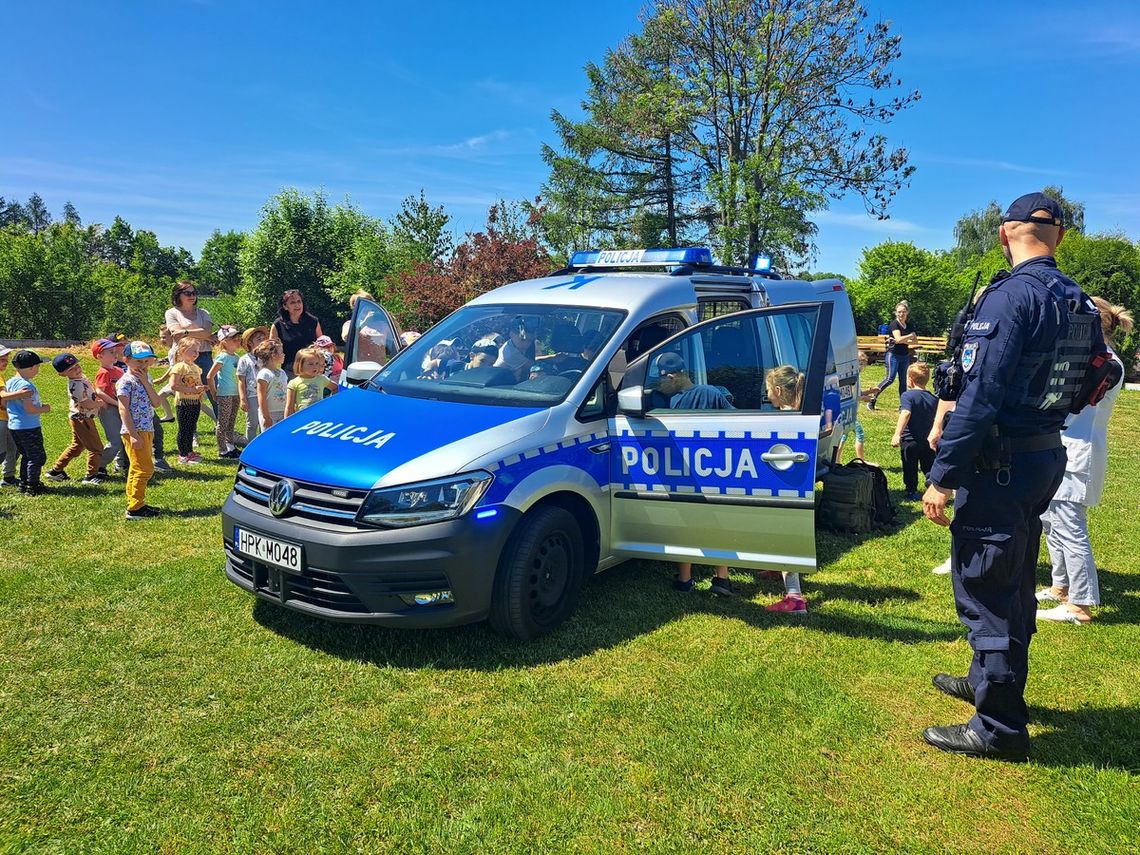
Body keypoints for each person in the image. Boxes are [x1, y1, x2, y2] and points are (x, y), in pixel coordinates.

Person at [920, 192, 1105, 762]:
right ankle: (985, 681)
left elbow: (980, 396)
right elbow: (1096, 378)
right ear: (1060, 238)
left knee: (989, 585)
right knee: (1017, 575)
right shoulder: (1077, 299)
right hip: (1044, 454)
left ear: (1005, 234)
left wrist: (942, 475)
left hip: (999, 466)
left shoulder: (1009, 297)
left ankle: (998, 727)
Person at [1036, 298, 1133, 624]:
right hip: (1064, 446)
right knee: (1052, 522)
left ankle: (1081, 604)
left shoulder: (1107, 363)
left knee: (1070, 526)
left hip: (1079, 451)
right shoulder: (1094, 357)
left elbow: (1068, 399)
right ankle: (1061, 587)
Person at [654, 351, 736, 596]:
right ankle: (722, 579)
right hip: (714, 470)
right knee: (717, 525)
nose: (660, 386)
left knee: (685, 525)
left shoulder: (675, 402)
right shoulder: (712, 392)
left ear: (672, 377)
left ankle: (685, 579)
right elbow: (736, 418)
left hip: (686, 472)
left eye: (661, 381)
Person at [763, 364, 811, 614]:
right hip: (795, 483)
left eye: (769, 390)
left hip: (786, 485)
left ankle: (794, 599)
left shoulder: (785, 419)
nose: (767, 394)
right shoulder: (799, 413)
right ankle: (778, 570)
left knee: (785, 536)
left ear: (779, 390)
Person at [44, 353, 114, 485]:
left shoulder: (80, 378)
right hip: (82, 418)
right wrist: (101, 403)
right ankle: (91, 475)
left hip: (80, 417)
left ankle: (56, 471)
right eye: (71, 369)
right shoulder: (76, 385)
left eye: (77, 365)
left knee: (77, 446)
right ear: (62, 374)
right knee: (96, 448)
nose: (77, 369)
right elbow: (86, 404)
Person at [117, 341, 162, 519]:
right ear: (126, 360)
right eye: (138, 362)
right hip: (133, 431)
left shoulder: (146, 378)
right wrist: (133, 435)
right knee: (144, 469)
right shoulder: (125, 382)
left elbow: (156, 403)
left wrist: (145, 381)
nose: (143, 366)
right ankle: (135, 508)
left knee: (138, 468)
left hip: (147, 428)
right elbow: (123, 410)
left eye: (146, 361)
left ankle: (136, 503)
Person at [164, 281, 217, 421]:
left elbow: (208, 331)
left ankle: (223, 429)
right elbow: (176, 333)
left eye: (194, 293)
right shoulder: (171, 313)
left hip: (204, 355)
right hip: (183, 358)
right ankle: (192, 433)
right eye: (187, 293)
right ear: (178, 295)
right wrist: (202, 334)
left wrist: (185, 331)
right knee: (187, 394)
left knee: (214, 390)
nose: (192, 296)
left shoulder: (203, 312)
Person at [3, 350, 51, 495]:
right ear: (31, 368)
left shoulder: (11, 382)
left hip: (15, 426)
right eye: (38, 367)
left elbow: (5, 402)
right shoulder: (26, 386)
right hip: (28, 426)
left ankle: (24, 483)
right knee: (37, 457)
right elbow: (30, 409)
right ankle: (32, 486)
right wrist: (45, 408)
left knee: (27, 455)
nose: (38, 370)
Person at [891, 362, 938, 501]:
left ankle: (911, 490)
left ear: (910, 379)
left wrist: (897, 434)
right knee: (928, 464)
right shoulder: (933, 398)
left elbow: (905, 412)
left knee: (910, 466)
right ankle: (932, 484)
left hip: (910, 440)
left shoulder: (908, 396)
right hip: (927, 439)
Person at [867, 301, 918, 410]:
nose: (901, 314)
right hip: (893, 355)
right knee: (890, 379)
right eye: (899, 312)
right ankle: (872, 398)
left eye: (903, 312)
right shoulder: (894, 324)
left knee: (903, 382)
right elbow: (899, 339)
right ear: (896, 313)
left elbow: (914, 342)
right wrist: (908, 337)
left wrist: (901, 340)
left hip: (904, 356)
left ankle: (903, 406)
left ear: (907, 313)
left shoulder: (909, 325)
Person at [169, 337, 208, 464]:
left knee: (192, 427)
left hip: (195, 402)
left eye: (197, 351)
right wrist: (191, 390)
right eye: (193, 351)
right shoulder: (179, 367)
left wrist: (202, 388)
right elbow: (174, 385)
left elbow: (198, 383)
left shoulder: (196, 368)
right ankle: (183, 454)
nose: (196, 353)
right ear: (182, 351)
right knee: (184, 428)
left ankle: (190, 452)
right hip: (184, 402)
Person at [270, 289, 323, 376]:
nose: (297, 305)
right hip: (289, 371)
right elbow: (271, 350)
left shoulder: (313, 321)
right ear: (285, 306)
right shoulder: (278, 324)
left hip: (312, 370)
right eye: (292, 302)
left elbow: (322, 345)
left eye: (299, 301)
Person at [208, 325, 242, 459]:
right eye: (234, 339)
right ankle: (222, 450)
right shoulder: (222, 357)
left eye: (238, 339)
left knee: (232, 420)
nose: (238, 341)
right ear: (224, 341)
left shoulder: (237, 357)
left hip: (235, 393)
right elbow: (210, 376)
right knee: (223, 422)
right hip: (225, 393)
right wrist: (214, 392)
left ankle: (230, 446)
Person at [0, 344, 28, 488]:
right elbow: (3, 398)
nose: (5, 362)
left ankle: (8, 477)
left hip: (7, 418)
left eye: (6, 359)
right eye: (1, 360)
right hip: (2, 419)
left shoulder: (2, 376)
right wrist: (21, 395)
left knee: (14, 448)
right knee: (2, 452)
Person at [237, 326, 269, 445]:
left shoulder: (266, 358)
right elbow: (241, 380)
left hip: (266, 394)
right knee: (252, 422)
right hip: (252, 395)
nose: (262, 341)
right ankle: (249, 445)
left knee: (264, 420)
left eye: (263, 338)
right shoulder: (244, 359)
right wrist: (243, 398)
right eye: (258, 339)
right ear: (250, 343)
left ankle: (262, 445)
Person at [285, 348, 339, 416]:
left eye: (317, 363)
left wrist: (330, 403)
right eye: (311, 364)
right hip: (302, 417)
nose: (315, 366)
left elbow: (335, 388)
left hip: (320, 415)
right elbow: (289, 407)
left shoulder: (322, 378)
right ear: (300, 365)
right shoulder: (293, 383)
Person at [254, 340, 288, 430]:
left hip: (282, 412)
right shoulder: (264, 374)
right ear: (273, 355)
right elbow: (261, 396)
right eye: (281, 352)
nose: (284, 354)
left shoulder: (282, 372)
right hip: (269, 413)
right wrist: (266, 416)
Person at [494, 317, 537, 382]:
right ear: (512, 334)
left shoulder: (510, 344)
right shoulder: (511, 353)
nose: (526, 343)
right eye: (522, 339)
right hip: (502, 384)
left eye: (530, 341)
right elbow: (532, 366)